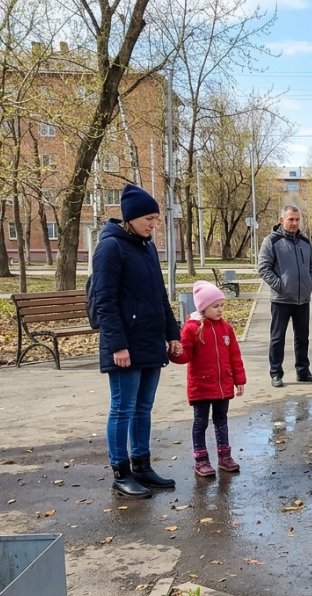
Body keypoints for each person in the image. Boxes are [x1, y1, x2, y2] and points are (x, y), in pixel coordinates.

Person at [91, 183, 182, 499]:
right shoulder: (110, 248)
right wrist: (117, 345)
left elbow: (160, 296)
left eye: (156, 219)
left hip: (149, 341)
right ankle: (121, 473)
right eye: (149, 219)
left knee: (143, 407)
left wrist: (173, 334)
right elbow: (105, 300)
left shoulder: (147, 249)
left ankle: (142, 465)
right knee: (123, 408)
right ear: (131, 217)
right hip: (124, 346)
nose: (154, 225)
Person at [170, 281, 247, 477]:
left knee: (221, 420)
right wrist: (175, 353)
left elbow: (234, 356)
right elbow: (185, 354)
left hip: (223, 385)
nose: (220, 310)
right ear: (203, 307)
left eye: (222, 305)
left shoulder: (226, 329)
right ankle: (201, 459)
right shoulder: (192, 328)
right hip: (202, 385)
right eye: (215, 306)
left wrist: (239, 379)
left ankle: (225, 456)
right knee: (200, 422)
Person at [258, 205, 312, 388]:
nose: (294, 223)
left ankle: (303, 371)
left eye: (297, 219)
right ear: (281, 220)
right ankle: (276, 373)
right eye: (291, 219)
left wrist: (311, 283)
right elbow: (263, 268)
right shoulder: (271, 241)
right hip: (281, 300)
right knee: (278, 338)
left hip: (302, 299)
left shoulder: (305, 242)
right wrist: (281, 286)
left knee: (302, 337)